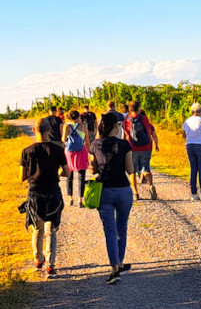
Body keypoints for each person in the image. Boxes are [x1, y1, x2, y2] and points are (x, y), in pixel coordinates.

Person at [20, 118, 71, 279]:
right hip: (52, 192)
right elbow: (67, 172)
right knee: (52, 230)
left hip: (35, 193)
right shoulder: (57, 149)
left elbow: (21, 176)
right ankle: (50, 265)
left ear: (34, 131)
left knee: (37, 229)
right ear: (49, 130)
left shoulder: (27, 151)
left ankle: (38, 260)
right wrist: (57, 174)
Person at [89, 113, 134, 285]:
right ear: (115, 127)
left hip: (104, 191)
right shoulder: (124, 144)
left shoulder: (95, 144)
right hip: (123, 190)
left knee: (110, 230)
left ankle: (115, 268)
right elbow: (130, 170)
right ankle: (120, 262)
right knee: (122, 227)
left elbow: (92, 168)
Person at [123, 101, 158, 200]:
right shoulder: (144, 119)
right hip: (146, 147)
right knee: (146, 168)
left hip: (133, 148)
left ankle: (135, 193)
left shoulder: (126, 120)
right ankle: (151, 185)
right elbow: (148, 131)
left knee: (132, 171)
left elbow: (126, 134)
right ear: (138, 109)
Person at [61, 110, 90, 207]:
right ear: (78, 117)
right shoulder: (83, 126)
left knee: (69, 176)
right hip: (81, 151)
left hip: (69, 153)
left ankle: (70, 198)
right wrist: (89, 153)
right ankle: (80, 199)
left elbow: (63, 139)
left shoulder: (66, 126)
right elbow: (87, 141)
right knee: (81, 176)